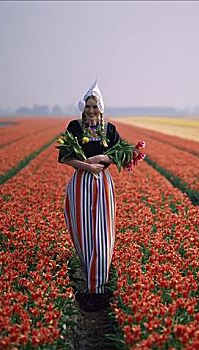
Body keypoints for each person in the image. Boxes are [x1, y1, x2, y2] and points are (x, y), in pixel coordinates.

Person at [58, 80, 120, 312]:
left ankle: (98, 290)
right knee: (82, 232)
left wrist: (101, 160)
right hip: (81, 183)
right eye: (88, 106)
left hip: (103, 184)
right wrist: (86, 166)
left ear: (101, 108)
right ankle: (92, 279)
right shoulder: (74, 127)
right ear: (83, 108)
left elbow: (117, 156)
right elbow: (64, 157)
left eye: (95, 106)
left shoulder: (109, 129)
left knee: (102, 235)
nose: (91, 110)